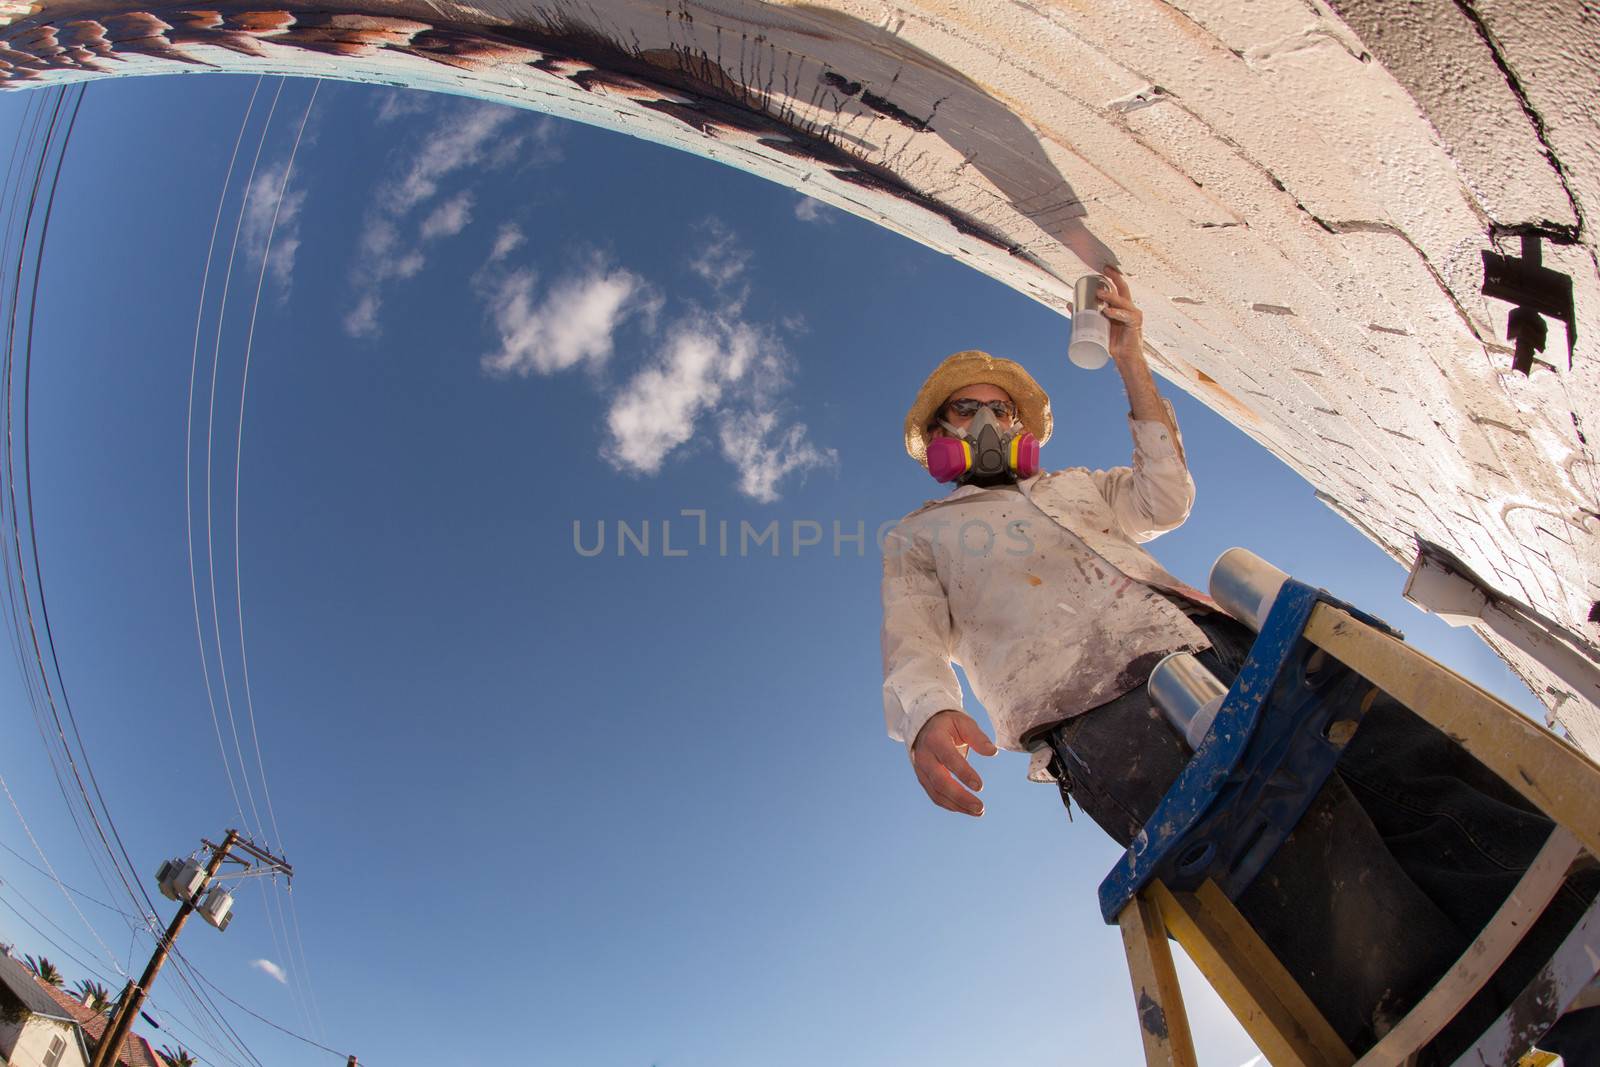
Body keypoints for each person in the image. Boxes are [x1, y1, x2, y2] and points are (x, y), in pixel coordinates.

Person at [878, 266, 1597, 1062]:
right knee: (1313, 871)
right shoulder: (919, 536)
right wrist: (928, 715)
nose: (985, 418)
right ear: (939, 434)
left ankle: (1584, 948)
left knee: (1399, 763)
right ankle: (1447, 1038)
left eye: (1000, 407)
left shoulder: (1076, 485)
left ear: (1023, 422)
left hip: (1224, 642)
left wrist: (1131, 360)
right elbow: (911, 640)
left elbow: (1166, 498)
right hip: (1106, 715)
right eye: (966, 408)